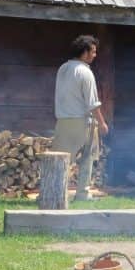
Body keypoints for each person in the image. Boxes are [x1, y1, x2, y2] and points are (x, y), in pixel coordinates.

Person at [54, 34, 109, 201]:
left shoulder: (63, 68)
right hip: (81, 122)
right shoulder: (85, 72)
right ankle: (83, 194)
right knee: (87, 158)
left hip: (63, 120)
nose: (95, 54)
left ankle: (54, 192)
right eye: (92, 51)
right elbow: (92, 103)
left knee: (60, 160)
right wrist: (102, 123)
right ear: (84, 52)